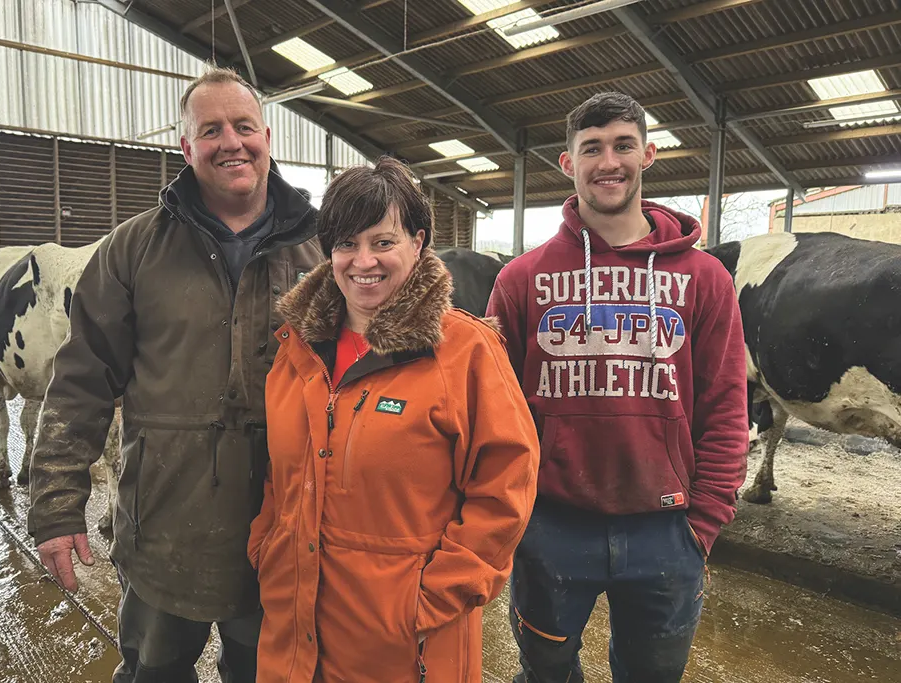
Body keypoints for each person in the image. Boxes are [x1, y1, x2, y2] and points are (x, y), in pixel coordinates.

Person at [27, 65, 323, 683]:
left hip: (285, 530)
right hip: (166, 530)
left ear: (268, 137)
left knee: (271, 673)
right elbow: (80, 381)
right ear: (186, 148)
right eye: (210, 130)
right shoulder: (133, 249)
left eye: (244, 126)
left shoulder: (322, 251)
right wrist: (56, 507)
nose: (230, 142)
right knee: (154, 672)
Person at [487, 92, 749, 683]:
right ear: (567, 163)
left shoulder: (704, 279)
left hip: (667, 529)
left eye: (624, 145)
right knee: (546, 672)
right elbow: (495, 411)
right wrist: (515, 518)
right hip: (550, 527)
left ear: (648, 154)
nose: (609, 161)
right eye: (592, 149)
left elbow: (727, 404)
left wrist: (704, 522)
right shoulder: (521, 279)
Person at [247, 156, 540, 683]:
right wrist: (268, 545)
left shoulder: (464, 350)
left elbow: (507, 489)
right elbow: (280, 474)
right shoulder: (296, 352)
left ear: (418, 243)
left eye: (383, 242)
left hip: (405, 645)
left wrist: (430, 599)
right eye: (346, 244)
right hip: (293, 635)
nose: (364, 261)